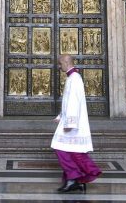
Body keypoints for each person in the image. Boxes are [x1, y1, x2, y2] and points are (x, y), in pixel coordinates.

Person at [51, 54, 102, 193]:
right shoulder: (72, 77)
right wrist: (61, 116)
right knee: (72, 152)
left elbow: (74, 102)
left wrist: (69, 123)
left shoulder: (74, 78)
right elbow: (68, 101)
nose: (59, 66)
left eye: (60, 63)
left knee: (60, 148)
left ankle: (74, 178)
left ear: (66, 62)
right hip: (69, 121)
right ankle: (74, 179)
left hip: (72, 124)